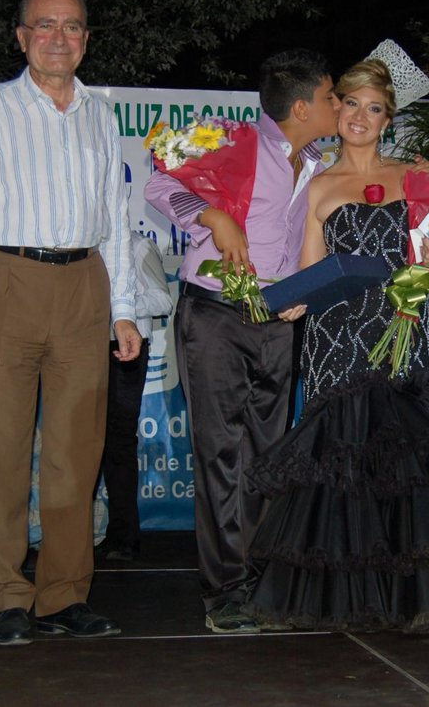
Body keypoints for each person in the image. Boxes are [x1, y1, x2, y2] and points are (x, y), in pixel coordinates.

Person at [243, 58, 429, 633]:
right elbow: (310, 271)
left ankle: (404, 599)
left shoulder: (417, 177)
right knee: (341, 466)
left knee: (397, 469)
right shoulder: (318, 185)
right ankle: (342, 600)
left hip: (400, 333)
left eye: (373, 107)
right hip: (335, 340)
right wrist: (293, 300)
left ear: (387, 119)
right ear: (337, 111)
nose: (359, 116)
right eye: (350, 103)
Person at [0, 0, 141, 647]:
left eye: (72, 26)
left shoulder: (99, 115)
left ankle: (63, 595)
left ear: (86, 39)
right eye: (45, 26)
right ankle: (4, 596)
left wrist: (123, 310)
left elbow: (115, 219)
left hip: (84, 284)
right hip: (7, 281)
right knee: (1, 448)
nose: (59, 38)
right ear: (22, 36)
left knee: (76, 455)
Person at [144, 49, 339, 634]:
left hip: (278, 317)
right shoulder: (232, 139)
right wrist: (212, 216)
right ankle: (224, 591)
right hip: (216, 313)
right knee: (221, 455)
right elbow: (159, 181)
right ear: (301, 107)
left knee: (267, 456)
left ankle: (258, 580)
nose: (337, 106)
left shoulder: (318, 163)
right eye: (331, 97)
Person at [98, 232, 174, 561]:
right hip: (79, 347)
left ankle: (123, 537)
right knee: (79, 444)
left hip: (125, 349)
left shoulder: (137, 245)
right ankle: (77, 536)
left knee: (118, 441)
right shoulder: (79, 244)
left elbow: (162, 300)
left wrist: (119, 308)